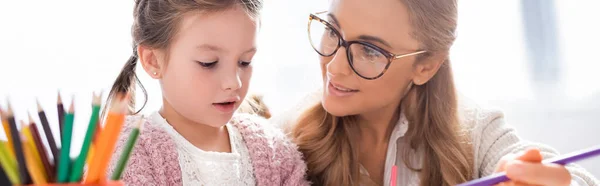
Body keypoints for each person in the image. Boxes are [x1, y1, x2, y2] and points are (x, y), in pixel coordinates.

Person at [278, 0, 600, 185]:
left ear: (426, 66)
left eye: (370, 51)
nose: (334, 67)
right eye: (331, 31)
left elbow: (576, 178)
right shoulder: (283, 140)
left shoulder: (474, 132)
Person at [103, 0, 308, 185]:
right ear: (153, 60)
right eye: (208, 63)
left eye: (245, 62)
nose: (233, 82)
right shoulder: (129, 153)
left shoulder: (273, 150)